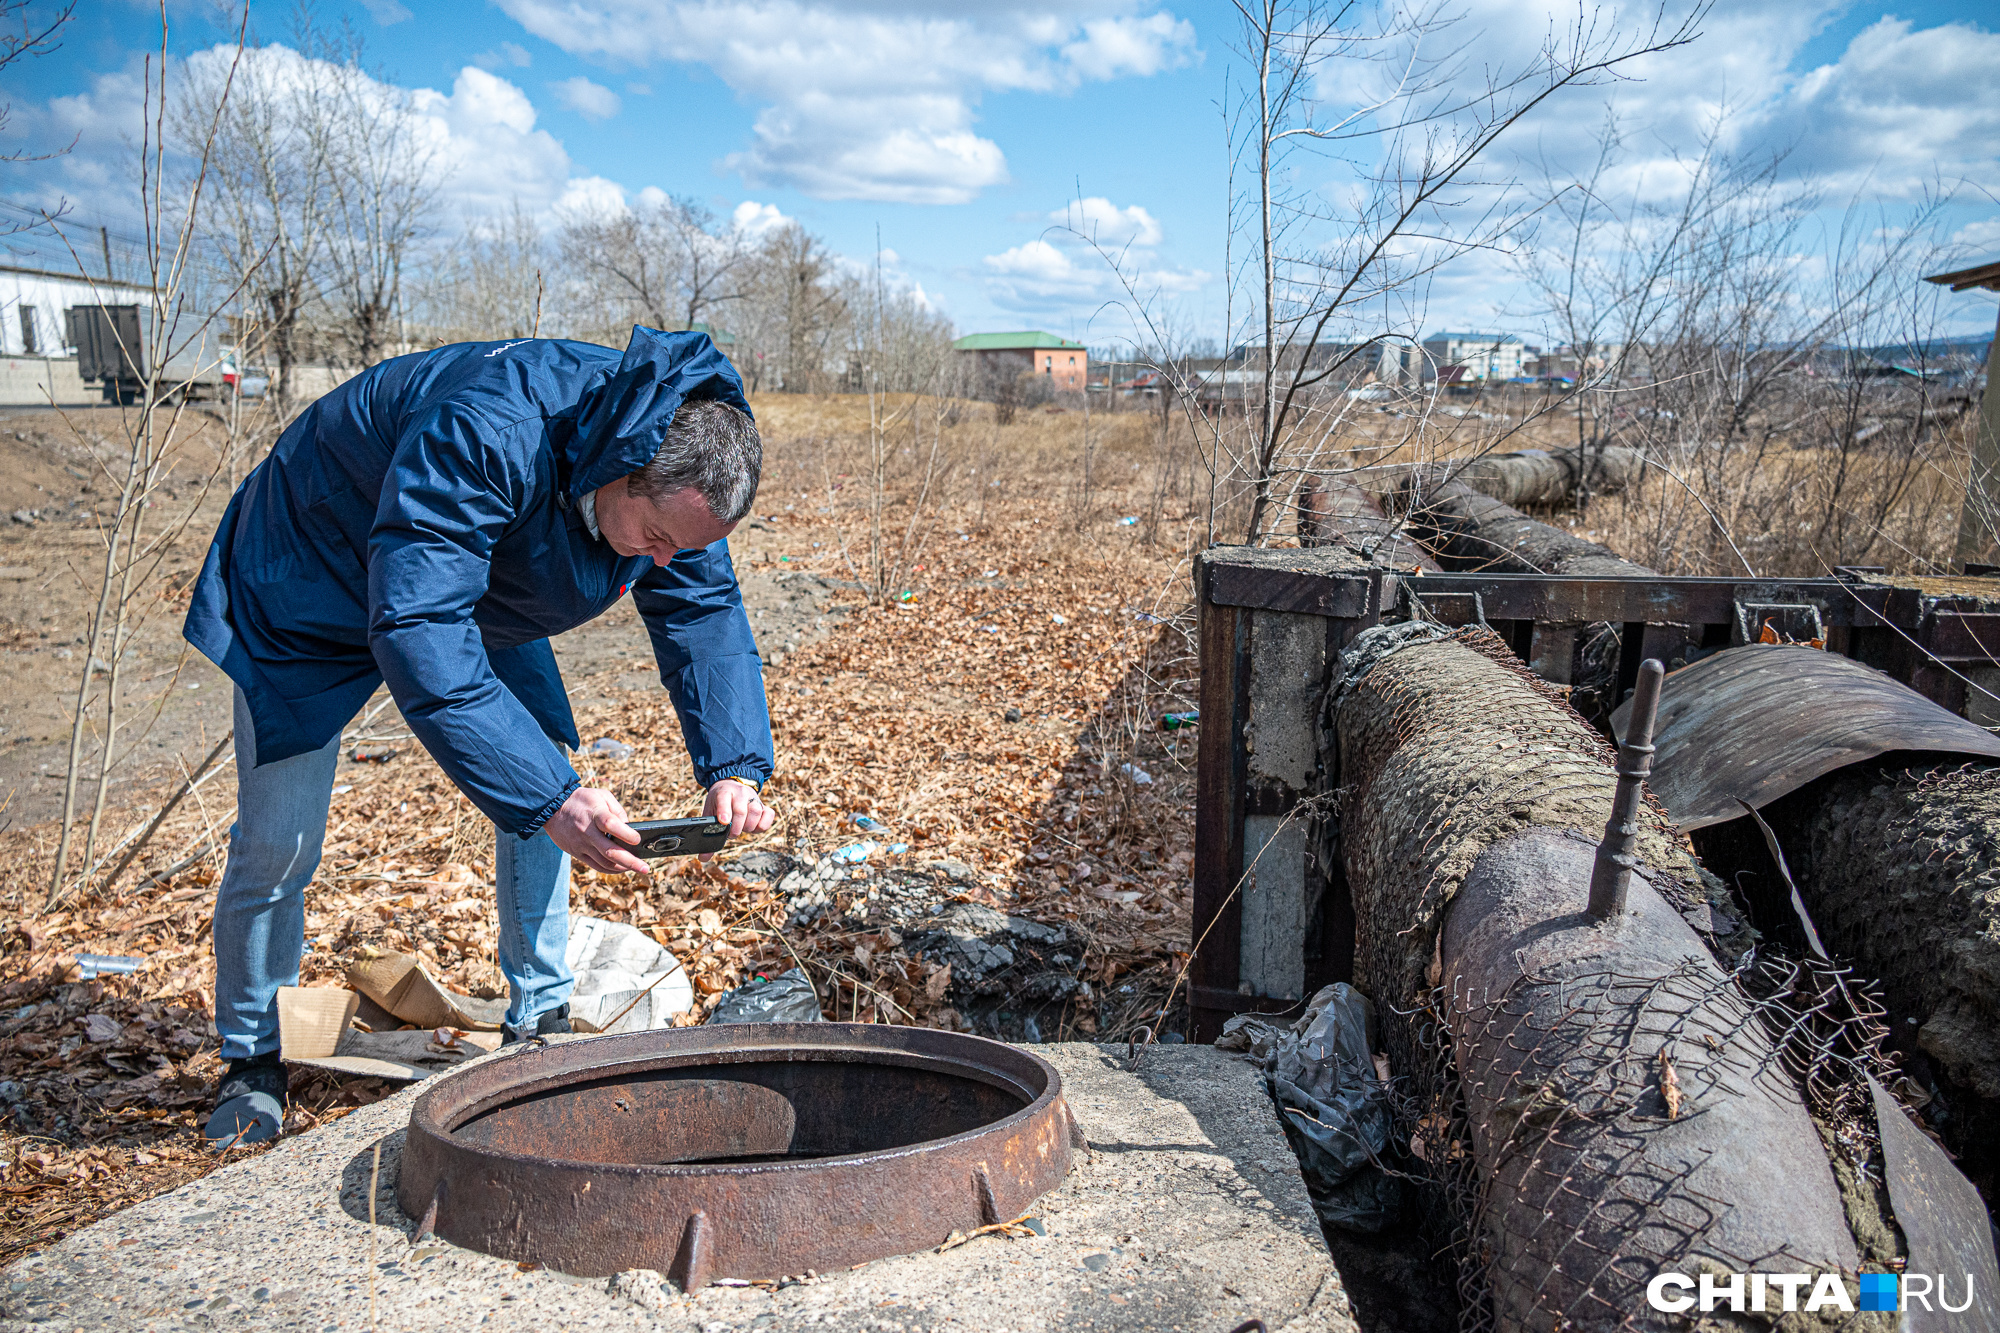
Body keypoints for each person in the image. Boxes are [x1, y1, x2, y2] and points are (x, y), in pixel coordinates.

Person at [183, 327, 776, 1145]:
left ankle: (544, 1013)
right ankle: (251, 1055)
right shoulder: (489, 432)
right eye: (659, 540)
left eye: (688, 546)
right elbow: (418, 623)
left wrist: (733, 763)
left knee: (542, 782)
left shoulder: (680, 473)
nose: (668, 562)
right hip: (310, 566)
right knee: (280, 841)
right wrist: (551, 797)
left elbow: (703, 610)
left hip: (474, 573)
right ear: (620, 470)